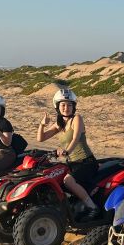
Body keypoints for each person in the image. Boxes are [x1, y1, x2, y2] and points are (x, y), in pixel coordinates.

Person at [36, 88, 101, 218]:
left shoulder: (77, 118)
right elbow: (40, 138)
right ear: (58, 107)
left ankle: (92, 208)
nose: (66, 108)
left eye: (69, 105)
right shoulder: (60, 124)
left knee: (68, 181)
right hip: (71, 163)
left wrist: (66, 152)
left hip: (85, 161)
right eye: (63, 105)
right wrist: (42, 125)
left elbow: (76, 138)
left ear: (74, 106)